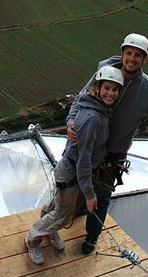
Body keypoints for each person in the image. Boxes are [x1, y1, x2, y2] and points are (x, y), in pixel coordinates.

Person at [66, 33, 148, 255]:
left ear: (144, 60)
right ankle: (72, 213)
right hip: (85, 143)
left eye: (138, 55)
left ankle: (91, 236)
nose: (131, 59)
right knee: (70, 186)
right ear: (122, 53)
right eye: (128, 53)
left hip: (111, 155)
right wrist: (71, 122)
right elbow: (82, 98)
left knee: (100, 198)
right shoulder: (105, 72)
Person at [24, 66, 124, 265]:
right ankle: (33, 239)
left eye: (115, 89)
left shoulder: (96, 108)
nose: (110, 93)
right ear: (98, 88)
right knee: (62, 214)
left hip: (67, 170)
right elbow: (84, 158)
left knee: (57, 205)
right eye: (107, 88)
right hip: (72, 173)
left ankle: (48, 231)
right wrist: (89, 194)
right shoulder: (94, 118)